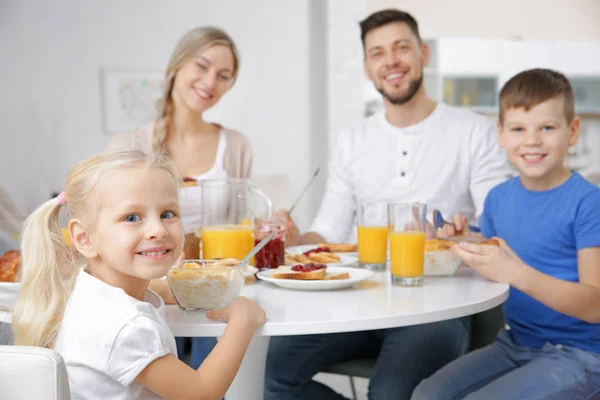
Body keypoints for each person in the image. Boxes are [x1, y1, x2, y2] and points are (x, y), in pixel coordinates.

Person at [265, 9, 511, 400]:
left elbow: (501, 229)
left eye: (401, 48)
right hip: (356, 298)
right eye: (378, 53)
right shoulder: (353, 140)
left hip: (437, 305)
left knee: (392, 393)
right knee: (273, 374)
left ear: (423, 54)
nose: (391, 61)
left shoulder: (473, 132)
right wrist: (292, 240)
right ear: (367, 67)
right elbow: (328, 228)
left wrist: (462, 235)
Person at [12, 149, 266, 399]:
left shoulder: (88, 289)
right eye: (132, 217)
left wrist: (162, 289)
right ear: (84, 238)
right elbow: (201, 392)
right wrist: (243, 321)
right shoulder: (126, 327)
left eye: (168, 214)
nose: (158, 229)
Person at [411, 69, 600, 400]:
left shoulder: (589, 203)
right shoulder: (498, 198)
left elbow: (596, 305)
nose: (532, 140)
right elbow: (492, 258)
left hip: (582, 354)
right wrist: (454, 242)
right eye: (518, 129)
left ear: (572, 131)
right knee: (427, 395)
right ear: (500, 134)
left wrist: (517, 273)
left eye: (547, 127)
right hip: (516, 343)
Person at [108, 26, 251, 370]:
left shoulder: (236, 146)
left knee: (212, 367)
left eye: (223, 75)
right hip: (148, 287)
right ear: (177, 66)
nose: (209, 82)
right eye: (201, 67)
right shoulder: (129, 146)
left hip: (212, 288)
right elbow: (115, 232)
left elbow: (242, 227)